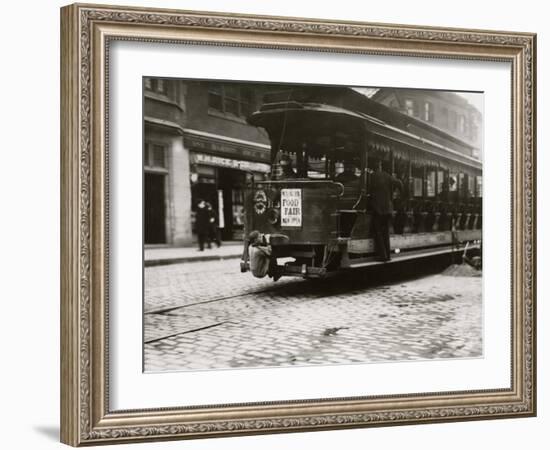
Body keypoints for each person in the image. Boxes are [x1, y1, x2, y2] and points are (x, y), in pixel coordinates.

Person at [369, 161, 403, 261]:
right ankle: (387, 255)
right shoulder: (387, 176)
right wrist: (400, 196)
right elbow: (399, 183)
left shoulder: (372, 176)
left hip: (377, 208)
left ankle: (382, 255)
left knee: (378, 232)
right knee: (385, 232)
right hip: (387, 208)